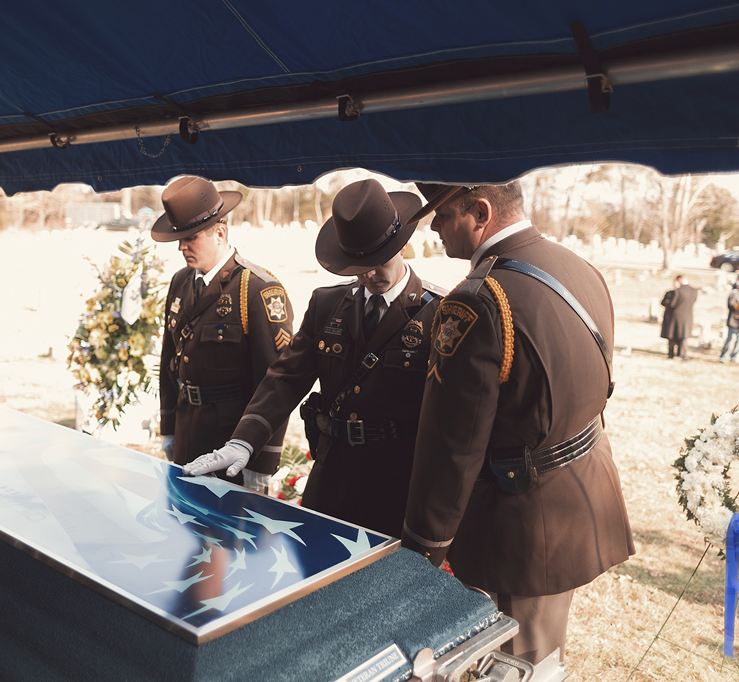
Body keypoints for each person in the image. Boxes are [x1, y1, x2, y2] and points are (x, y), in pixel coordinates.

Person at [400, 181, 634, 665]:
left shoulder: (476, 298)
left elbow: (453, 446)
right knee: (544, 656)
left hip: (518, 525)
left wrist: (422, 547)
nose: (434, 226)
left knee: (509, 663)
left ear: (480, 211)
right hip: (580, 492)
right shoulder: (577, 266)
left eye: (442, 214)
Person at [182, 179, 445, 538]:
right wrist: (244, 441)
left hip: (396, 484)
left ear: (404, 245)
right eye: (357, 264)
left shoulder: (438, 313)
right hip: (332, 480)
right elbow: (285, 377)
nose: (368, 275)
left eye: (377, 261)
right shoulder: (328, 304)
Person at [151, 176, 294, 492]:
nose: (181, 246)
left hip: (234, 445)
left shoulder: (257, 289)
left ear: (220, 232)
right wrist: (169, 429)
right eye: (179, 237)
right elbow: (168, 364)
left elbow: (276, 383)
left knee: (231, 539)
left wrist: (262, 459)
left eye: (191, 237)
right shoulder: (180, 282)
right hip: (188, 430)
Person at [660, 275, 698, 360]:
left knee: (672, 335)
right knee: (683, 336)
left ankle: (671, 354)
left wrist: (667, 303)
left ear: (679, 280)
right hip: (687, 316)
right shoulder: (694, 291)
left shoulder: (677, 291)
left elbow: (672, 304)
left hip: (675, 317)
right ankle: (682, 354)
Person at [719, 280, 739, 363]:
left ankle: (735, 357)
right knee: (730, 339)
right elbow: (731, 305)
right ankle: (724, 356)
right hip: (734, 320)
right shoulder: (734, 293)